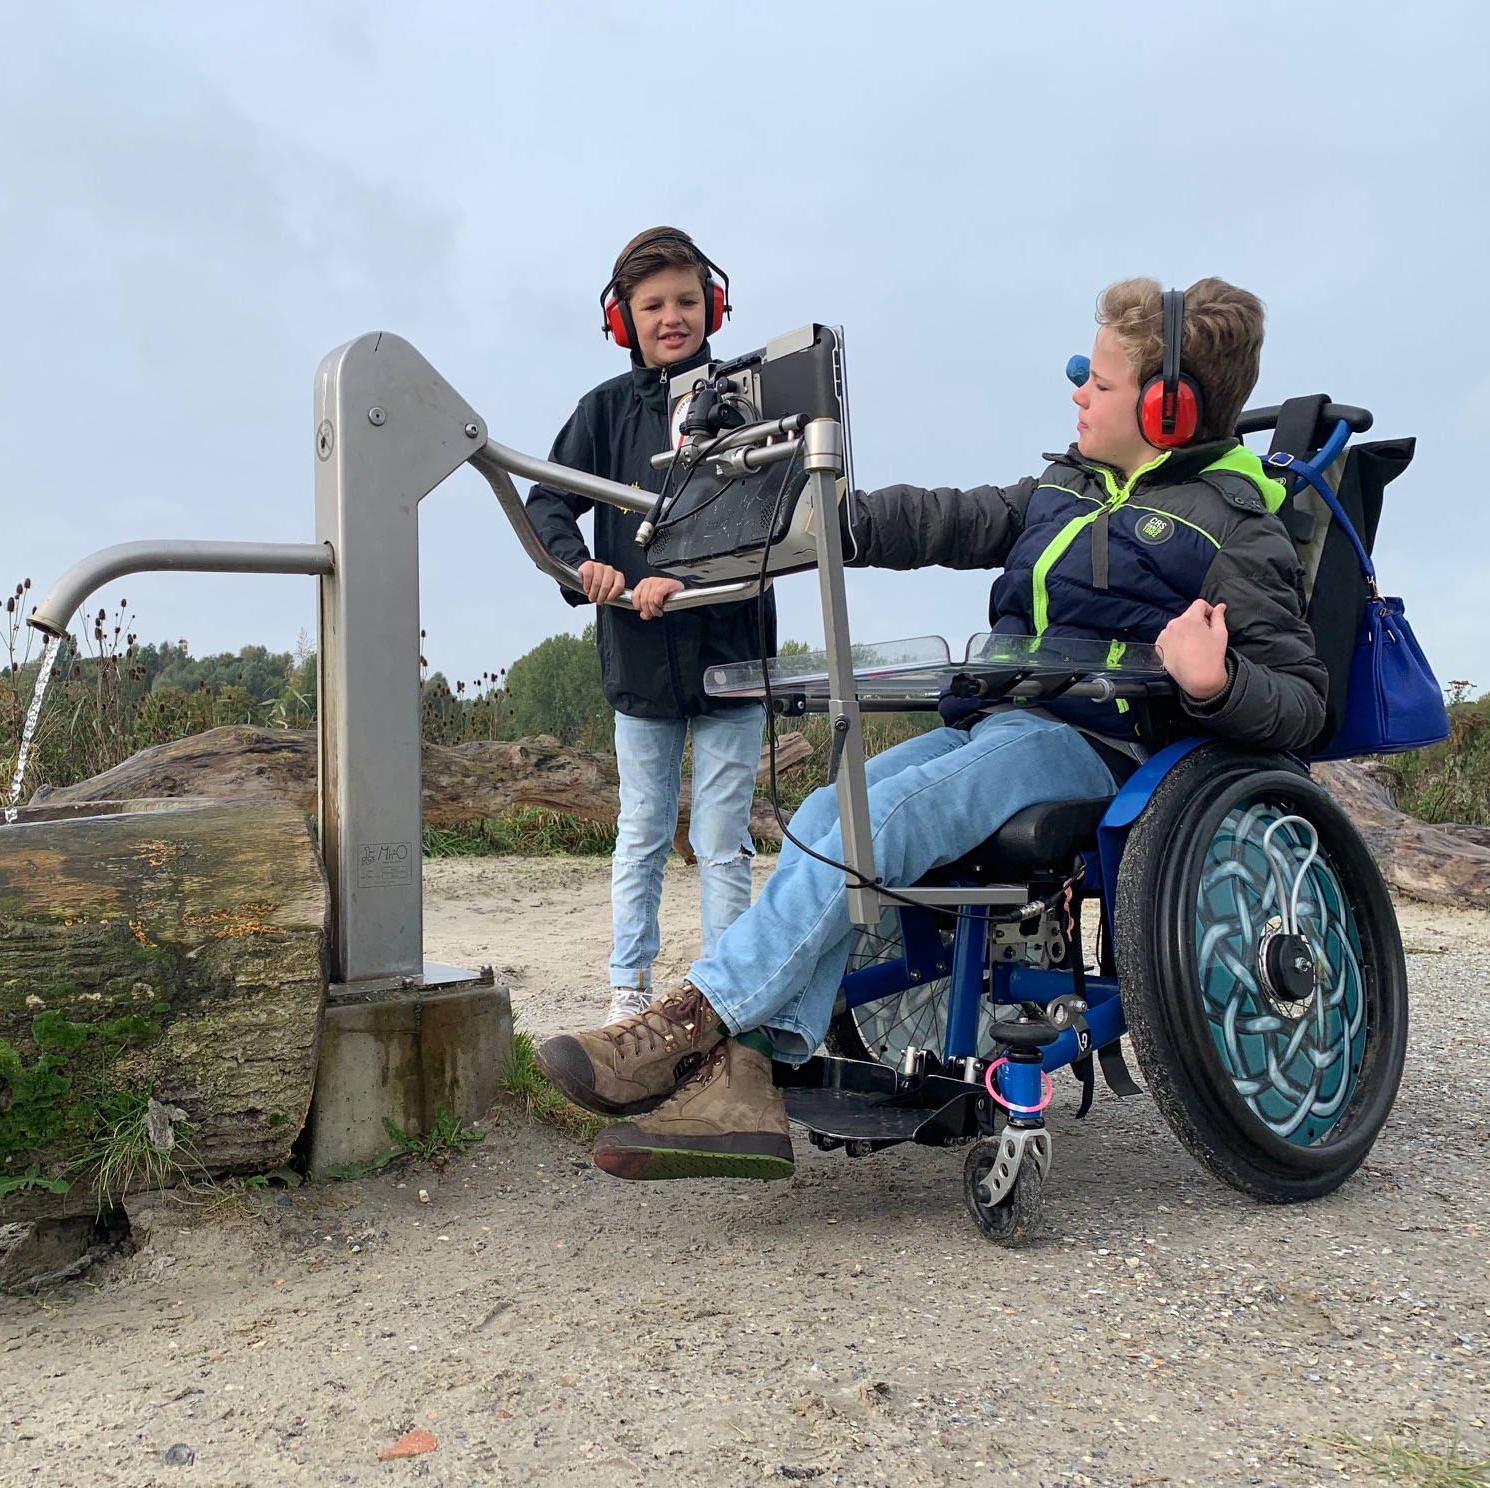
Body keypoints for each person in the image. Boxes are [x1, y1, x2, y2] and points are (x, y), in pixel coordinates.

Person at [536, 276, 1328, 1181]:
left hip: (1101, 745)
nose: (1078, 390)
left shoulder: (1235, 526)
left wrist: (1218, 682)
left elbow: (1303, 700)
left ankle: (689, 1022)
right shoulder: (1066, 485)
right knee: (827, 816)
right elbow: (946, 517)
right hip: (1002, 720)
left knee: (888, 819)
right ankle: (747, 1081)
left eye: (1100, 382)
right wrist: (834, 520)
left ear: (1168, 408)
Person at [523, 228, 775, 1026]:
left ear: (715, 306)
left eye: (687, 301)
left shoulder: (754, 399)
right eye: (654, 305)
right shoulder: (601, 412)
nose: (673, 317)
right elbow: (545, 504)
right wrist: (582, 568)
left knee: (724, 838)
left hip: (733, 653)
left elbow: (775, 515)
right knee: (641, 831)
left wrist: (690, 578)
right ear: (622, 319)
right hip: (638, 657)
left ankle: (721, 999)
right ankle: (628, 987)